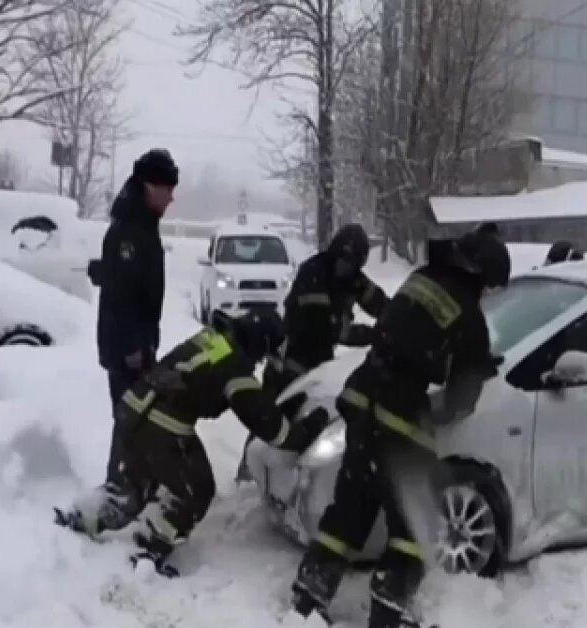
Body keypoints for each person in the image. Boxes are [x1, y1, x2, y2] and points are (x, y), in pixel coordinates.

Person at [288, 227, 511, 628]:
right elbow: (461, 402)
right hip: (399, 414)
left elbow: (405, 329)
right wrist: (471, 371)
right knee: (414, 516)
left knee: (352, 505)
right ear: (482, 277)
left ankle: (310, 592)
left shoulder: (421, 278)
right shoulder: (470, 315)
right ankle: (390, 608)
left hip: (362, 396)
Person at [55, 308, 331, 576]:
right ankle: (150, 546)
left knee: (129, 490)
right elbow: (275, 431)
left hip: (132, 409)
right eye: (263, 356)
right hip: (163, 425)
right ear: (261, 343)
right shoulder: (234, 367)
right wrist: (313, 423)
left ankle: (76, 519)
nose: (259, 363)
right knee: (196, 489)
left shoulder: (213, 339)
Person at [236, 223, 389, 480]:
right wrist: (373, 335)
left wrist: (396, 320)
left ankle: (293, 476)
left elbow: (380, 303)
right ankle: (248, 474)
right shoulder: (314, 273)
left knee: (307, 420)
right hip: (290, 356)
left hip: (318, 361)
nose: (346, 267)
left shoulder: (353, 280)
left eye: (352, 263)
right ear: (334, 253)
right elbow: (324, 328)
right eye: (343, 260)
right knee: (272, 415)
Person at [89, 149, 178, 500]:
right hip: (127, 347)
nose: (172, 197)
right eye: (167, 188)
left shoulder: (141, 225)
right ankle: (118, 491)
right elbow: (121, 295)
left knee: (137, 418)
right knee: (131, 419)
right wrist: (132, 349)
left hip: (138, 343)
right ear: (148, 186)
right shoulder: (129, 232)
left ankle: (131, 486)